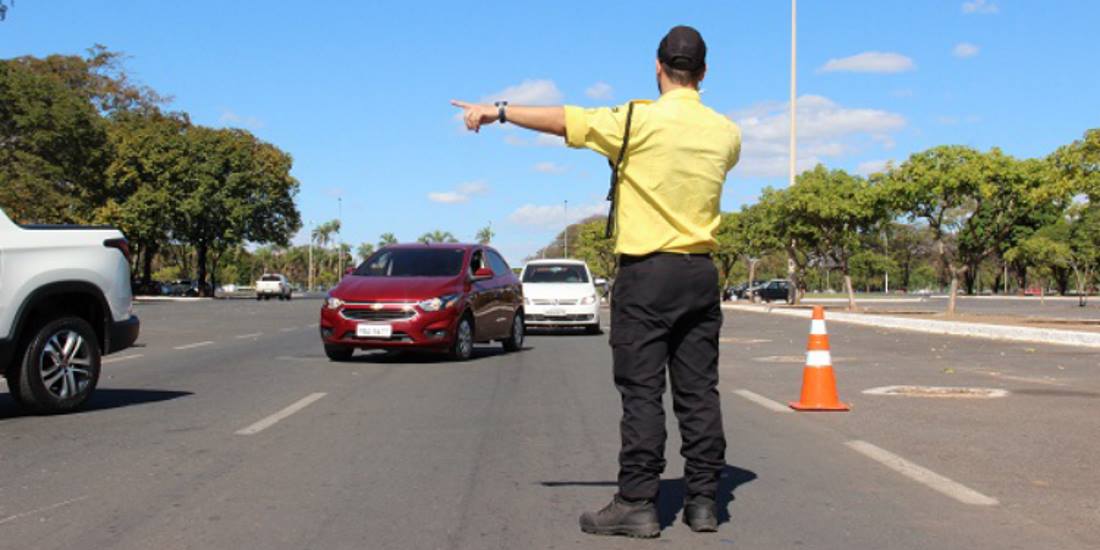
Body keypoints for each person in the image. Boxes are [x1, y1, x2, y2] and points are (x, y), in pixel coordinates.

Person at [451, 25, 741, 538]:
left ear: (657, 67)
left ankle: (637, 503)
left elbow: (564, 120)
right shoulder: (726, 132)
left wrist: (496, 111)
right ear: (704, 73)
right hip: (699, 273)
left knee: (642, 392)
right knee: (699, 391)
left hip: (646, 274)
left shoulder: (633, 120)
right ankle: (703, 502)